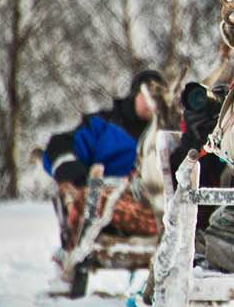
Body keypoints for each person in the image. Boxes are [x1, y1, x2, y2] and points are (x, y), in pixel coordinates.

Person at [42, 69, 166, 240]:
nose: (152, 103)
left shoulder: (166, 132)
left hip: (151, 204)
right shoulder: (103, 126)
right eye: (146, 96)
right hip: (103, 197)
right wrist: (75, 176)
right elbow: (61, 146)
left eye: (157, 98)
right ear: (134, 95)